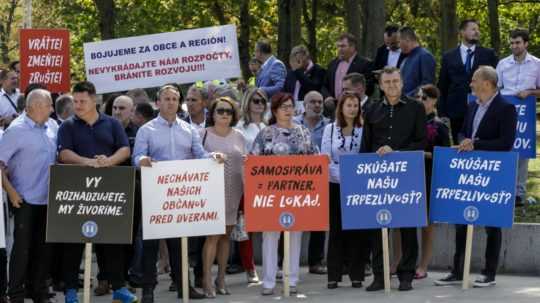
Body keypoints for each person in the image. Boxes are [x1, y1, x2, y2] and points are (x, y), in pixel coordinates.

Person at [133, 84, 225, 302]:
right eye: (166, 98)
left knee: (179, 243)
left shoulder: (189, 129)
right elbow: (136, 157)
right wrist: (142, 161)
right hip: (155, 193)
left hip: (180, 195)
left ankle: (185, 286)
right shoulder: (146, 130)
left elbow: (200, 154)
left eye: (174, 98)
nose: (170, 102)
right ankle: (148, 290)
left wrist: (214, 157)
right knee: (151, 244)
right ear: (158, 103)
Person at [435, 66, 517, 288]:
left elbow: (506, 143)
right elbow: (462, 131)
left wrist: (476, 143)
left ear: (488, 84)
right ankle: (458, 271)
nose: (470, 83)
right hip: (468, 173)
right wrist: (464, 140)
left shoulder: (506, 108)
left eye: (474, 80)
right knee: (460, 222)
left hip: (492, 174)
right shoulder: (472, 105)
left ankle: (488, 274)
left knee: (492, 224)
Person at [57, 81, 136, 303]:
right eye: (75, 101)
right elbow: (64, 154)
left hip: (108, 191)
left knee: (112, 240)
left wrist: (109, 161)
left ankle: (119, 286)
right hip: (77, 193)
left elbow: (125, 149)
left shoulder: (112, 124)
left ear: (95, 100)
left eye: (82, 101)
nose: (78, 105)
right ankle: (71, 291)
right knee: (73, 241)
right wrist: (88, 162)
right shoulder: (67, 126)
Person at [361, 67, 426, 292]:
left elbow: (421, 142)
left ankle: (406, 275)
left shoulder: (416, 108)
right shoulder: (370, 109)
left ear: (402, 82)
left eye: (395, 81)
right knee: (378, 227)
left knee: (407, 226)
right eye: (387, 82)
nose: (391, 85)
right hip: (377, 177)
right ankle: (379, 275)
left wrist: (395, 150)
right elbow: (365, 146)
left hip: (406, 174)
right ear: (380, 85)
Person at [251, 92, 318, 295]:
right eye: (283, 107)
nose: (288, 110)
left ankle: (292, 278)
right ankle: (269, 282)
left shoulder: (303, 132)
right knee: (270, 237)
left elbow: (314, 158)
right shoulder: (265, 133)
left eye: (290, 106)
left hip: (297, 193)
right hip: (271, 194)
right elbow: (254, 160)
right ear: (274, 110)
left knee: (295, 235)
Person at [0, 89, 57, 303]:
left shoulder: (52, 126)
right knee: (22, 250)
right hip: (23, 198)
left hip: (48, 198)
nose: (52, 108)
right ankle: (15, 293)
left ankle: (39, 291)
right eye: (48, 104)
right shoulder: (16, 130)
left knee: (43, 249)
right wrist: (11, 192)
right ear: (33, 107)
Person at [199, 97, 246, 298]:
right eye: (220, 111)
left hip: (234, 190)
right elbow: (196, 157)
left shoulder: (240, 135)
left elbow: (245, 160)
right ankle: (207, 280)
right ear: (213, 113)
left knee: (226, 236)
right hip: (210, 191)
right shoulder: (203, 134)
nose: (225, 114)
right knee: (212, 236)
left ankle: (221, 278)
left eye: (228, 111)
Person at [321, 92, 366, 289]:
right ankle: (334, 274)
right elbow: (325, 156)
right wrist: (341, 174)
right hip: (334, 182)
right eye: (349, 105)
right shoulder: (330, 129)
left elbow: (366, 154)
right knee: (336, 230)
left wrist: (352, 175)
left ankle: (357, 274)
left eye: (356, 105)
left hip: (357, 184)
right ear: (341, 107)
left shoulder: (364, 129)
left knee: (356, 230)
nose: (352, 109)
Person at [496, 28, 540, 207]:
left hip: (525, 112)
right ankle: (502, 188)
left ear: (526, 43)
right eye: (512, 43)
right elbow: (496, 87)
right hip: (504, 111)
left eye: (518, 43)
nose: (514, 46)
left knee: (522, 151)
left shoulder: (537, 64)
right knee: (504, 147)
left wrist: (530, 92)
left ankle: (519, 194)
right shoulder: (502, 64)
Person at [438, 19, 498, 143]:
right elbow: (442, 86)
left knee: (481, 146)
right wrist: (442, 113)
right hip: (455, 111)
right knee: (459, 147)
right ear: (462, 32)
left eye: (478, 29)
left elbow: (496, 83)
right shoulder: (448, 56)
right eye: (473, 29)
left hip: (482, 108)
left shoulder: (488, 54)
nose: (477, 32)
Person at [414, 84, 450, 280]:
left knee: (427, 224)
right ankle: (397, 261)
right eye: (418, 97)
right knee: (401, 220)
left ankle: (423, 265)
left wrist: (424, 154)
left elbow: (446, 155)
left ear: (434, 100)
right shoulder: (410, 121)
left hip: (430, 177)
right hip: (410, 176)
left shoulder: (440, 125)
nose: (420, 101)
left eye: (424, 98)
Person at [231, 88, 267, 283]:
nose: (259, 104)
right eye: (255, 100)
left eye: (262, 101)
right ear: (247, 102)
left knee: (270, 225)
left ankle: (273, 266)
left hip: (267, 184)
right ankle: (250, 268)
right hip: (245, 183)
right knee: (247, 228)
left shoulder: (268, 125)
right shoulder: (239, 127)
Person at [292, 90, 329, 275]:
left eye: (320, 102)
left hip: (319, 178)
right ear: (304, 105)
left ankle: (316, 261)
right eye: (312, 102)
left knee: (318, 222)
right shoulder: (293, 124)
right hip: (295, 179)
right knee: (291, 219)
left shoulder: (330, 125)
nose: (317, 105)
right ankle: (286, 262)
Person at [398, 27, 436, 97]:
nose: (398, 45)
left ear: (407, 40)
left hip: (417, 105)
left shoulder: (425, 56)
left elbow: (428, 85)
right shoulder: (405, 59)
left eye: (399, 42)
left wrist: (407, 98)